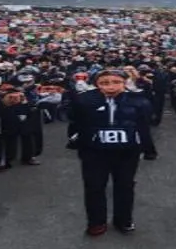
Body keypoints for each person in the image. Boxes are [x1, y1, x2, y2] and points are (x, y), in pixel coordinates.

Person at [68, 69, 157, 237]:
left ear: (124, 83)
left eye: (116, 82)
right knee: (94, 187)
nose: (111, 87)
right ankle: (96, 222)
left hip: (126, 151)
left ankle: (123, 220)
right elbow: (74, 119)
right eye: (105, 83)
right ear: (96, 85)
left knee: (125, 186)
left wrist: (147, 147)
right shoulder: (85, 99)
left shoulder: (136, 99)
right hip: (94, 151)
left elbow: (146, 120)